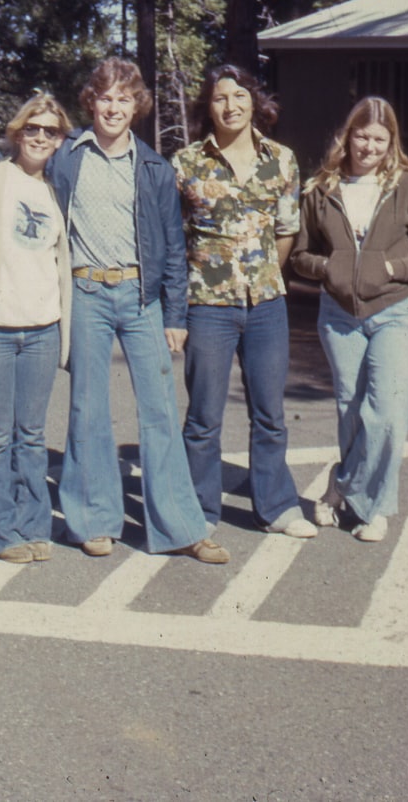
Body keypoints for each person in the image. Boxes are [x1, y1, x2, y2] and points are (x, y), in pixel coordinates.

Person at [0, 58, 227, 564]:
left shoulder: (153, 166)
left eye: (124, 99)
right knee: (88, 407)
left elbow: (173, 245)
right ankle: (94, 518)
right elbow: (16, 154)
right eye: (105, 98)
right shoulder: (67, 155)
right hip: (85, 293)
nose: (114, 108)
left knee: (158, 409)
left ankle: (180, 525)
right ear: (91, 103)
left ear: (137, 107)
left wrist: (175, 314)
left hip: (140, 296)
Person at [291, 96, 408, 542]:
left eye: (379, 139)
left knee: (391, 411)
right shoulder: (320, 188)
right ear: (348, 135)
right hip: (339, 316)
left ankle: (357, 498)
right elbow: (301, 255)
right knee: (352, 410)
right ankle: (358, 497)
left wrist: (391, 269)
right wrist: (328, 269)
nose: (368, 146)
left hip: (396, 311)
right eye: (362, 135)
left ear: (391, 141)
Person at [172, 64, 317, 539]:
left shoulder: (282, 159)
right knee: (203, 417)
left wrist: (262, 275)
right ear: (207, 106)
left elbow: (286, 231)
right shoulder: (186, 163)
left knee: (270, 414)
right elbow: (175, 236)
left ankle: (275, 507)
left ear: (255, 102)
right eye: (219, 98)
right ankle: (199, 511)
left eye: (239, 96)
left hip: (266, 306)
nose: (230, 106)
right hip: (207, 305)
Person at [0, 93, 73, 564]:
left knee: (32, 433)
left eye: (51, 131)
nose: (41, 137)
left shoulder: (56, 188)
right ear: (17, 132)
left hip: (44, 328)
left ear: (61, 139)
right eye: (33, 129)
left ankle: (31, 524)